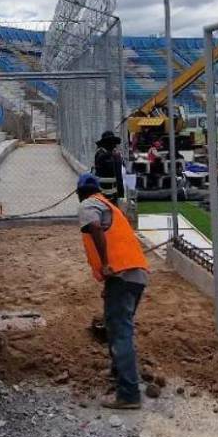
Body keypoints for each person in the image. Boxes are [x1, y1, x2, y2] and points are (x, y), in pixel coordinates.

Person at [76, 172, 149, 409]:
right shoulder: (109, 205)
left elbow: (95, 228)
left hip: (121, 274)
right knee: (117, 324)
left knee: (119, 331)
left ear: (79, 193)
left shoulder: (88, 204)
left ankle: (128, 394)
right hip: (135, 275)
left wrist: (106, 264)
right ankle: (119, 374)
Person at [93, 130, 125, 201]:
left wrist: (120, 194)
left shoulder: (114, 155)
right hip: (102, 192)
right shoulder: (100, 154)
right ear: (104, 143)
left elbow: (118, 176)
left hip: (113, 192)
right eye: (109, 142)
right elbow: (105, 166)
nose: (113, 145)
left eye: (113, 142)